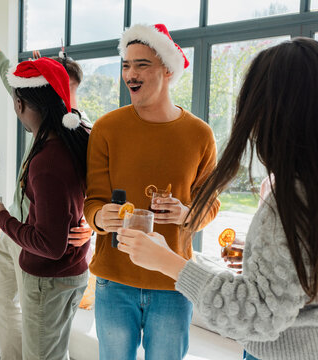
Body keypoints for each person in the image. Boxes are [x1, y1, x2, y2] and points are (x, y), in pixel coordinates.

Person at [117, 37, 318, 359]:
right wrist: (269, 261)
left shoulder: (291, 199)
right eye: (126, 65)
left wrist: (169, 262)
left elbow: (257, 315)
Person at [84, 23, 220, 359]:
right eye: (126, 65)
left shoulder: (200, 134)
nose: (130, 73)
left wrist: (187, 214)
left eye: (141, 64)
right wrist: (102, 216)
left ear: (168, 71)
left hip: (174, 281)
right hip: (114, 281)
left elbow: (211, 204)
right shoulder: (106, 128)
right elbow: (92, 202)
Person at [0, 30, 91, 359]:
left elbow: (103, 187)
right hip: (20, 233)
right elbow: (12, 82)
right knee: (4, 305)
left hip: (38, 243)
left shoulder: (67, 140)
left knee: (44, 341)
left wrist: (92, 223)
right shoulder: (53, 130)